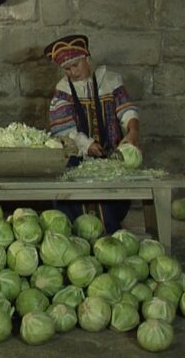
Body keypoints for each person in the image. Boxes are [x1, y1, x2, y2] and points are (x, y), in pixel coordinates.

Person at [44, 34, 140, 233]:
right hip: (77, 158)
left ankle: (109, 235)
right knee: (71, 193)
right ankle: (79, 236)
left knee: (111, 198)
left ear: (86, 58)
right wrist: (87, 145)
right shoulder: (63, 90)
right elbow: (63, 129)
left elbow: (126, 110)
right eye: (67, 69)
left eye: (76, 65)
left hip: (110, 157)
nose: (73, 72)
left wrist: (133, 131)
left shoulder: (110, 81)